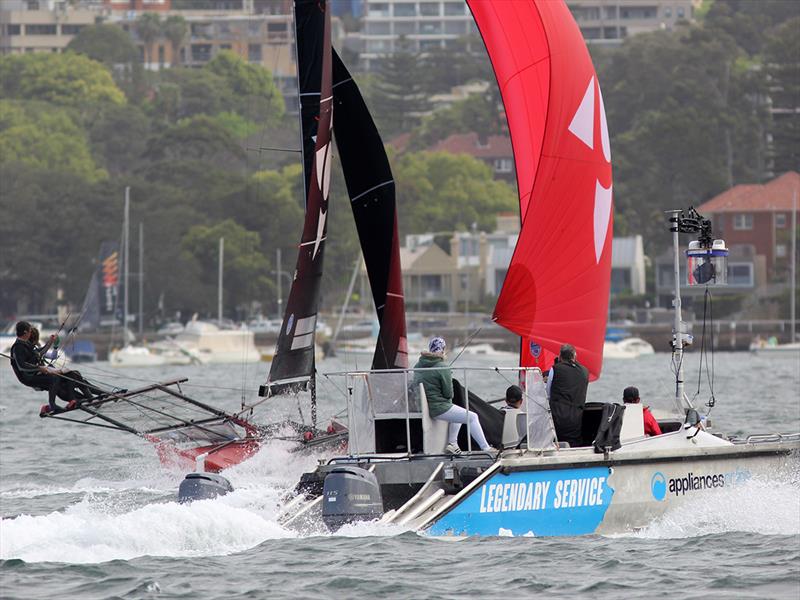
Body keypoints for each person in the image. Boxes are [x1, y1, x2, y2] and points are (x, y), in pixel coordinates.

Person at [413, 336, 496, 455]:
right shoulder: (443, 367)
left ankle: (452, 443)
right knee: (472, 417)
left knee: (458, 413)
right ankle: (486, 448)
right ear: (442, 349)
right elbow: (448, 393)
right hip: (438, 408)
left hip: (424, 407)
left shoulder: (418, 366)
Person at [30, 327, 101, 404]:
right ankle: (92, 398)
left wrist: (56, 346)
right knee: (73, 377)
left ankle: (97, 396)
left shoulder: (37, 350)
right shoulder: (31, 352)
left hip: (51, 376)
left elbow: (53, 356)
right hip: (47, 380)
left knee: (77, 376)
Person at [547, 343, 589, 448]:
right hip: (577, 417)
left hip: (558, 417)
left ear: (560, 356)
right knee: (573, 443)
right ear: (574, 356)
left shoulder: (555, 369)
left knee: (557, 441)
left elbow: (547, 393)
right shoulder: (585, 371)